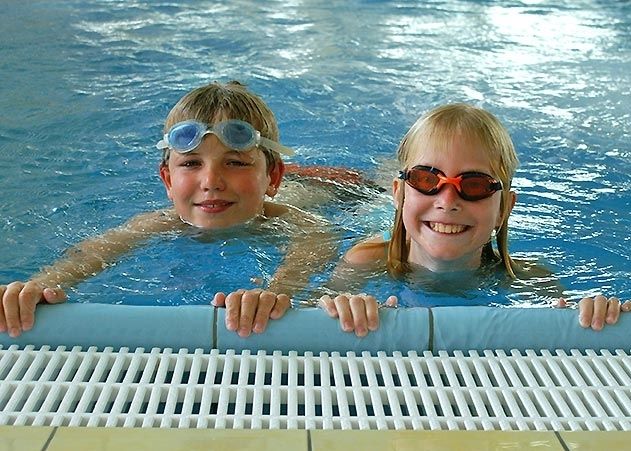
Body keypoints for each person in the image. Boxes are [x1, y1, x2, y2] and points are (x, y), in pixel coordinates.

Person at [0, 80, 337, 338]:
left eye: (235, 162)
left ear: (273, 176)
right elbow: (89, 255)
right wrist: (35, 287)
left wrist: (275, 293)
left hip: (314, 193)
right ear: (167, 179)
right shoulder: (157, 223)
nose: (211, 181)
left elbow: (316, 246)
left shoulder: (299, 224)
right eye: (191, 163)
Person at [318, 103, 630, 336]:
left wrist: (598, 315)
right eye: (427, 179)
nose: (448, 201)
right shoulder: (365, 260)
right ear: (399, 194)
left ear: (504, 209)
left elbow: (570, 340)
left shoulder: (533, 281)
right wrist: (339, 307)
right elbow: (312, 314)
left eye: (475, 185)